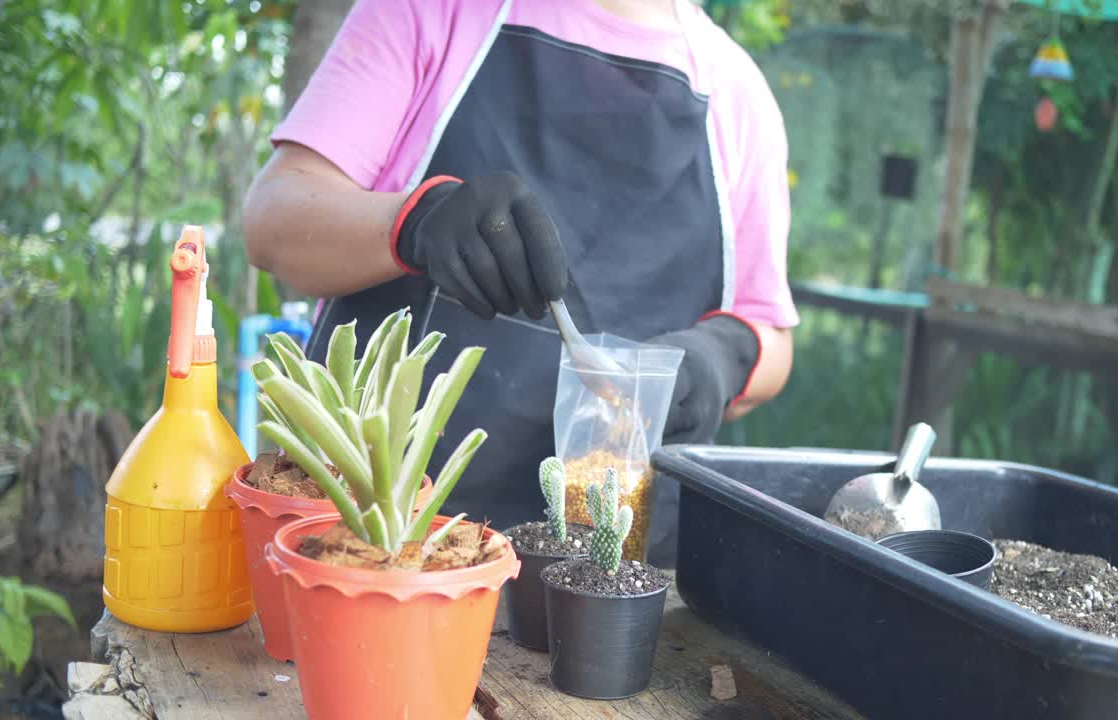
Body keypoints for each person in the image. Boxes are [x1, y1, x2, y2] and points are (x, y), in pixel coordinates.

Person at [243, 0, 798, 566]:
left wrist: (721, 358)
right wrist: (417, 221)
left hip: (614, 582)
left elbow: (770, 335)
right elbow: (272, 219)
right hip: (373, 555)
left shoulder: (736, 94)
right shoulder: (430, 12)